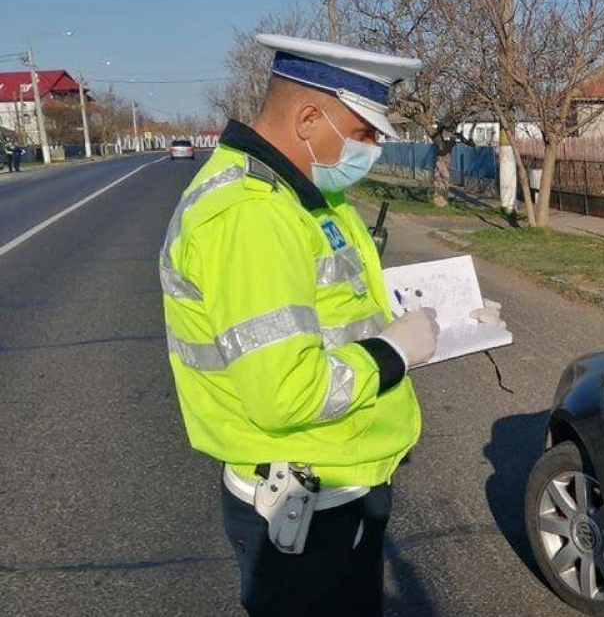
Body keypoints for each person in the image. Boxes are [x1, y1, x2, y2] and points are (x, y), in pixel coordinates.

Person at [160, 34, 501, 616]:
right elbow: (286, 394)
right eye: (365, 133)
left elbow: (340, 309)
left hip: (337, 487)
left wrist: (446, 317)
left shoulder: (308, 195)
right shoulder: (250, 217)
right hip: (303, 509)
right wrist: (394, 353)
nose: (371, 149)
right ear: (309, 117)